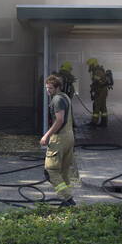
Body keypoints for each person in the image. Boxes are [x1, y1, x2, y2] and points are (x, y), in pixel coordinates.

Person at [40, 74, 76, 206]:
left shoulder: (57, 100)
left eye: (50, 88)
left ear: (57, 88)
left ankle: (67, 198)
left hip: (59, 139)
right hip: (69, 137)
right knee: (64, 171)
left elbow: (59, 120)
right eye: (46, 88)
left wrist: (46, 135)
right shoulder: (65, 97)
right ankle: (67, 199)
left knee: (51, 171)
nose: (47, 91)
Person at [88, 57, 112, 127]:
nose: (89, 66)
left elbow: (98, 82)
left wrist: (93, 88)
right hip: (101, 90)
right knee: (102, 107)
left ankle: (94, 123)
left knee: (96, 106)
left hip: (101, 91)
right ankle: (104, 123)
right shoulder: (96, 71)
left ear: (93, 64)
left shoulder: (98, 71)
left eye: (90, 65)